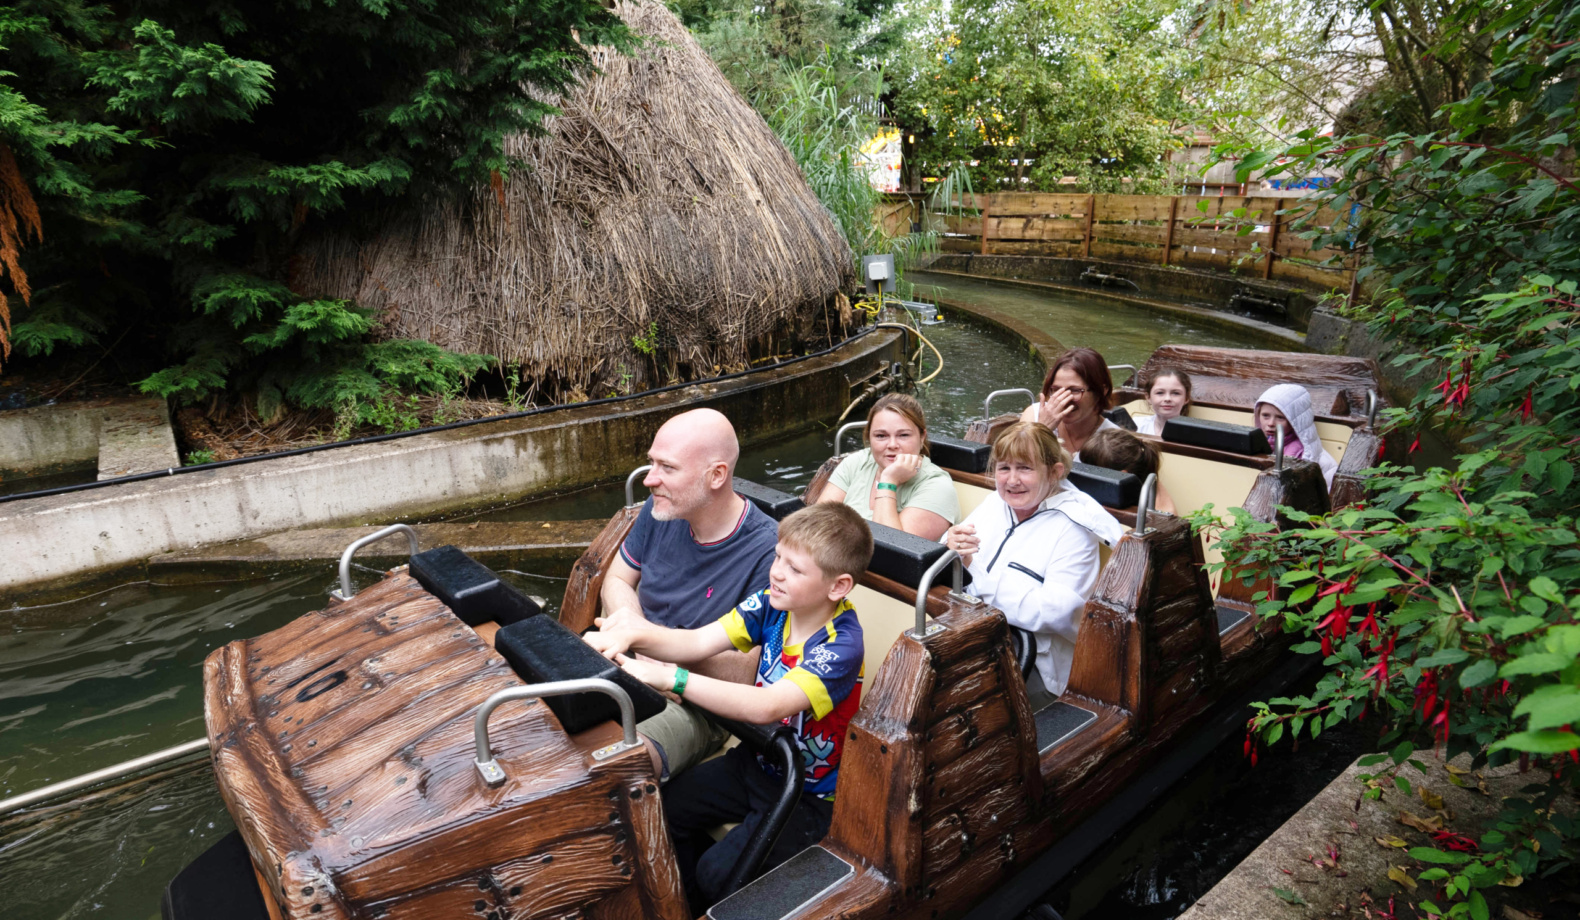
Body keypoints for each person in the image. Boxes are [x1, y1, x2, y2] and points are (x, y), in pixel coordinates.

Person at [587, 503, 872, 911]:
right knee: (662, 809)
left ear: (838, 586)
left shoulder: (841, 645)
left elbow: (767, 706)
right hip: (757, 762)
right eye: (777, 557)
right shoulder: (773, 604)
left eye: (794, 568)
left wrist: (673, 678)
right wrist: (631, 636)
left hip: (806, 793)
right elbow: (698, 642)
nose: (776, 572)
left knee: (716, 874)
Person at [599, 408, 780, 780]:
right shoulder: (659, 509)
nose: (650, 479)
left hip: (700, 701)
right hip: (630, 657)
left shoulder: (771, 552)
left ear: (716, 475)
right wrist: (632, 630)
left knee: (616, 768)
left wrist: (662, 659)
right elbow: (616, 580)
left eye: (667, 467)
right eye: (651, 463)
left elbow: (748, 672)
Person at [942, 422, 1124, 711]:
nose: (1012, 480)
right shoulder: (995, 503)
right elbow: (952, 552)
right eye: (1004, 468)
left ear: (1055, 472)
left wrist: (972, 575)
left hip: (1036, 663)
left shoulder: (1075, 527)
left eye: (1025, 468)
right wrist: (949, 542)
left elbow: (1056, 610)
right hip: (975, 638)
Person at [818, 393, 959, 540]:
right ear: (868, 437)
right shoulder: (856, 463)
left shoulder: (937, 487)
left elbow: (893, 549)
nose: (892, 445)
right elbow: (818, 524)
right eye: (881, 436)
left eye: (903, 435)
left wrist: (888, 481)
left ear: (922, 437)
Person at [1020, 347, 1121, 460]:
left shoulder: (1114, 441)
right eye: (1056, 390)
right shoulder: (1034, 415)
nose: (1064, 399)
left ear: (1102, 391)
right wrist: (1042, 430)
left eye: (1075, 390)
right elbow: (1017, 464)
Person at [1254, 383, 1338, 488]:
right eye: (1265, 415)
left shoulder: (1301, 453)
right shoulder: (1264, 443)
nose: (1271, 423)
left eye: (1280, 417)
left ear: (1294, 421)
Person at [1080, 427, 1178, 515]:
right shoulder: (1143, 479)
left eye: (1092, 471)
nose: (1082, 474)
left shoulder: (1155, 512)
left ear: (1120, 476)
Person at [1133, 367, 1193, 436]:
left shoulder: (1193, 433)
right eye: (1160, 393)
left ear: (1186, 398)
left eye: (1176, 393)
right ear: (1148, 397)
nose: (1167, 399)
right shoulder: (1136, 425)